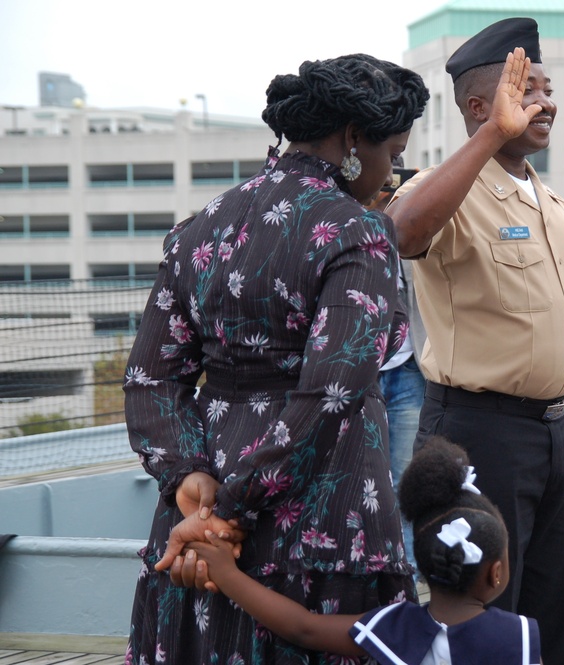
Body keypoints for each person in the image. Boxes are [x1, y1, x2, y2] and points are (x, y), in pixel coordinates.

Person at [122, 55, 429, 664]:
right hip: (320, 517)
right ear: (351, 139)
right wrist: (231, 511)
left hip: (197, 519)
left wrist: (189, 481)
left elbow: (150, 377)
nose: (391, 170)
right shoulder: (358, 232)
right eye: (391, 152)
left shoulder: (198, 229)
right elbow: (333, 393)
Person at [387, 19, 564, 665]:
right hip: (481, 433)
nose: (547, 102)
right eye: (526, 90)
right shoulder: (444, 191)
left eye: (547, 87)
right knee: (483, 619)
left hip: (559, 435)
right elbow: (400, 232)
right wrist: (490, 140)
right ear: (482, 108)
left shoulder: (555, 204)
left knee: (555, 612)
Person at [186, 436, 542, 665]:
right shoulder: (518, 638)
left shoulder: (394, 627)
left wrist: (228, 575)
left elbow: (302, 628)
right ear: (496, 573)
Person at [373, 159, 427, 571]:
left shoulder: (402, 223)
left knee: (407, 480)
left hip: (408, 367)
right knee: (369, 480)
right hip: (361, 375)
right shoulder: (340, 223)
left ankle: (406, 571)